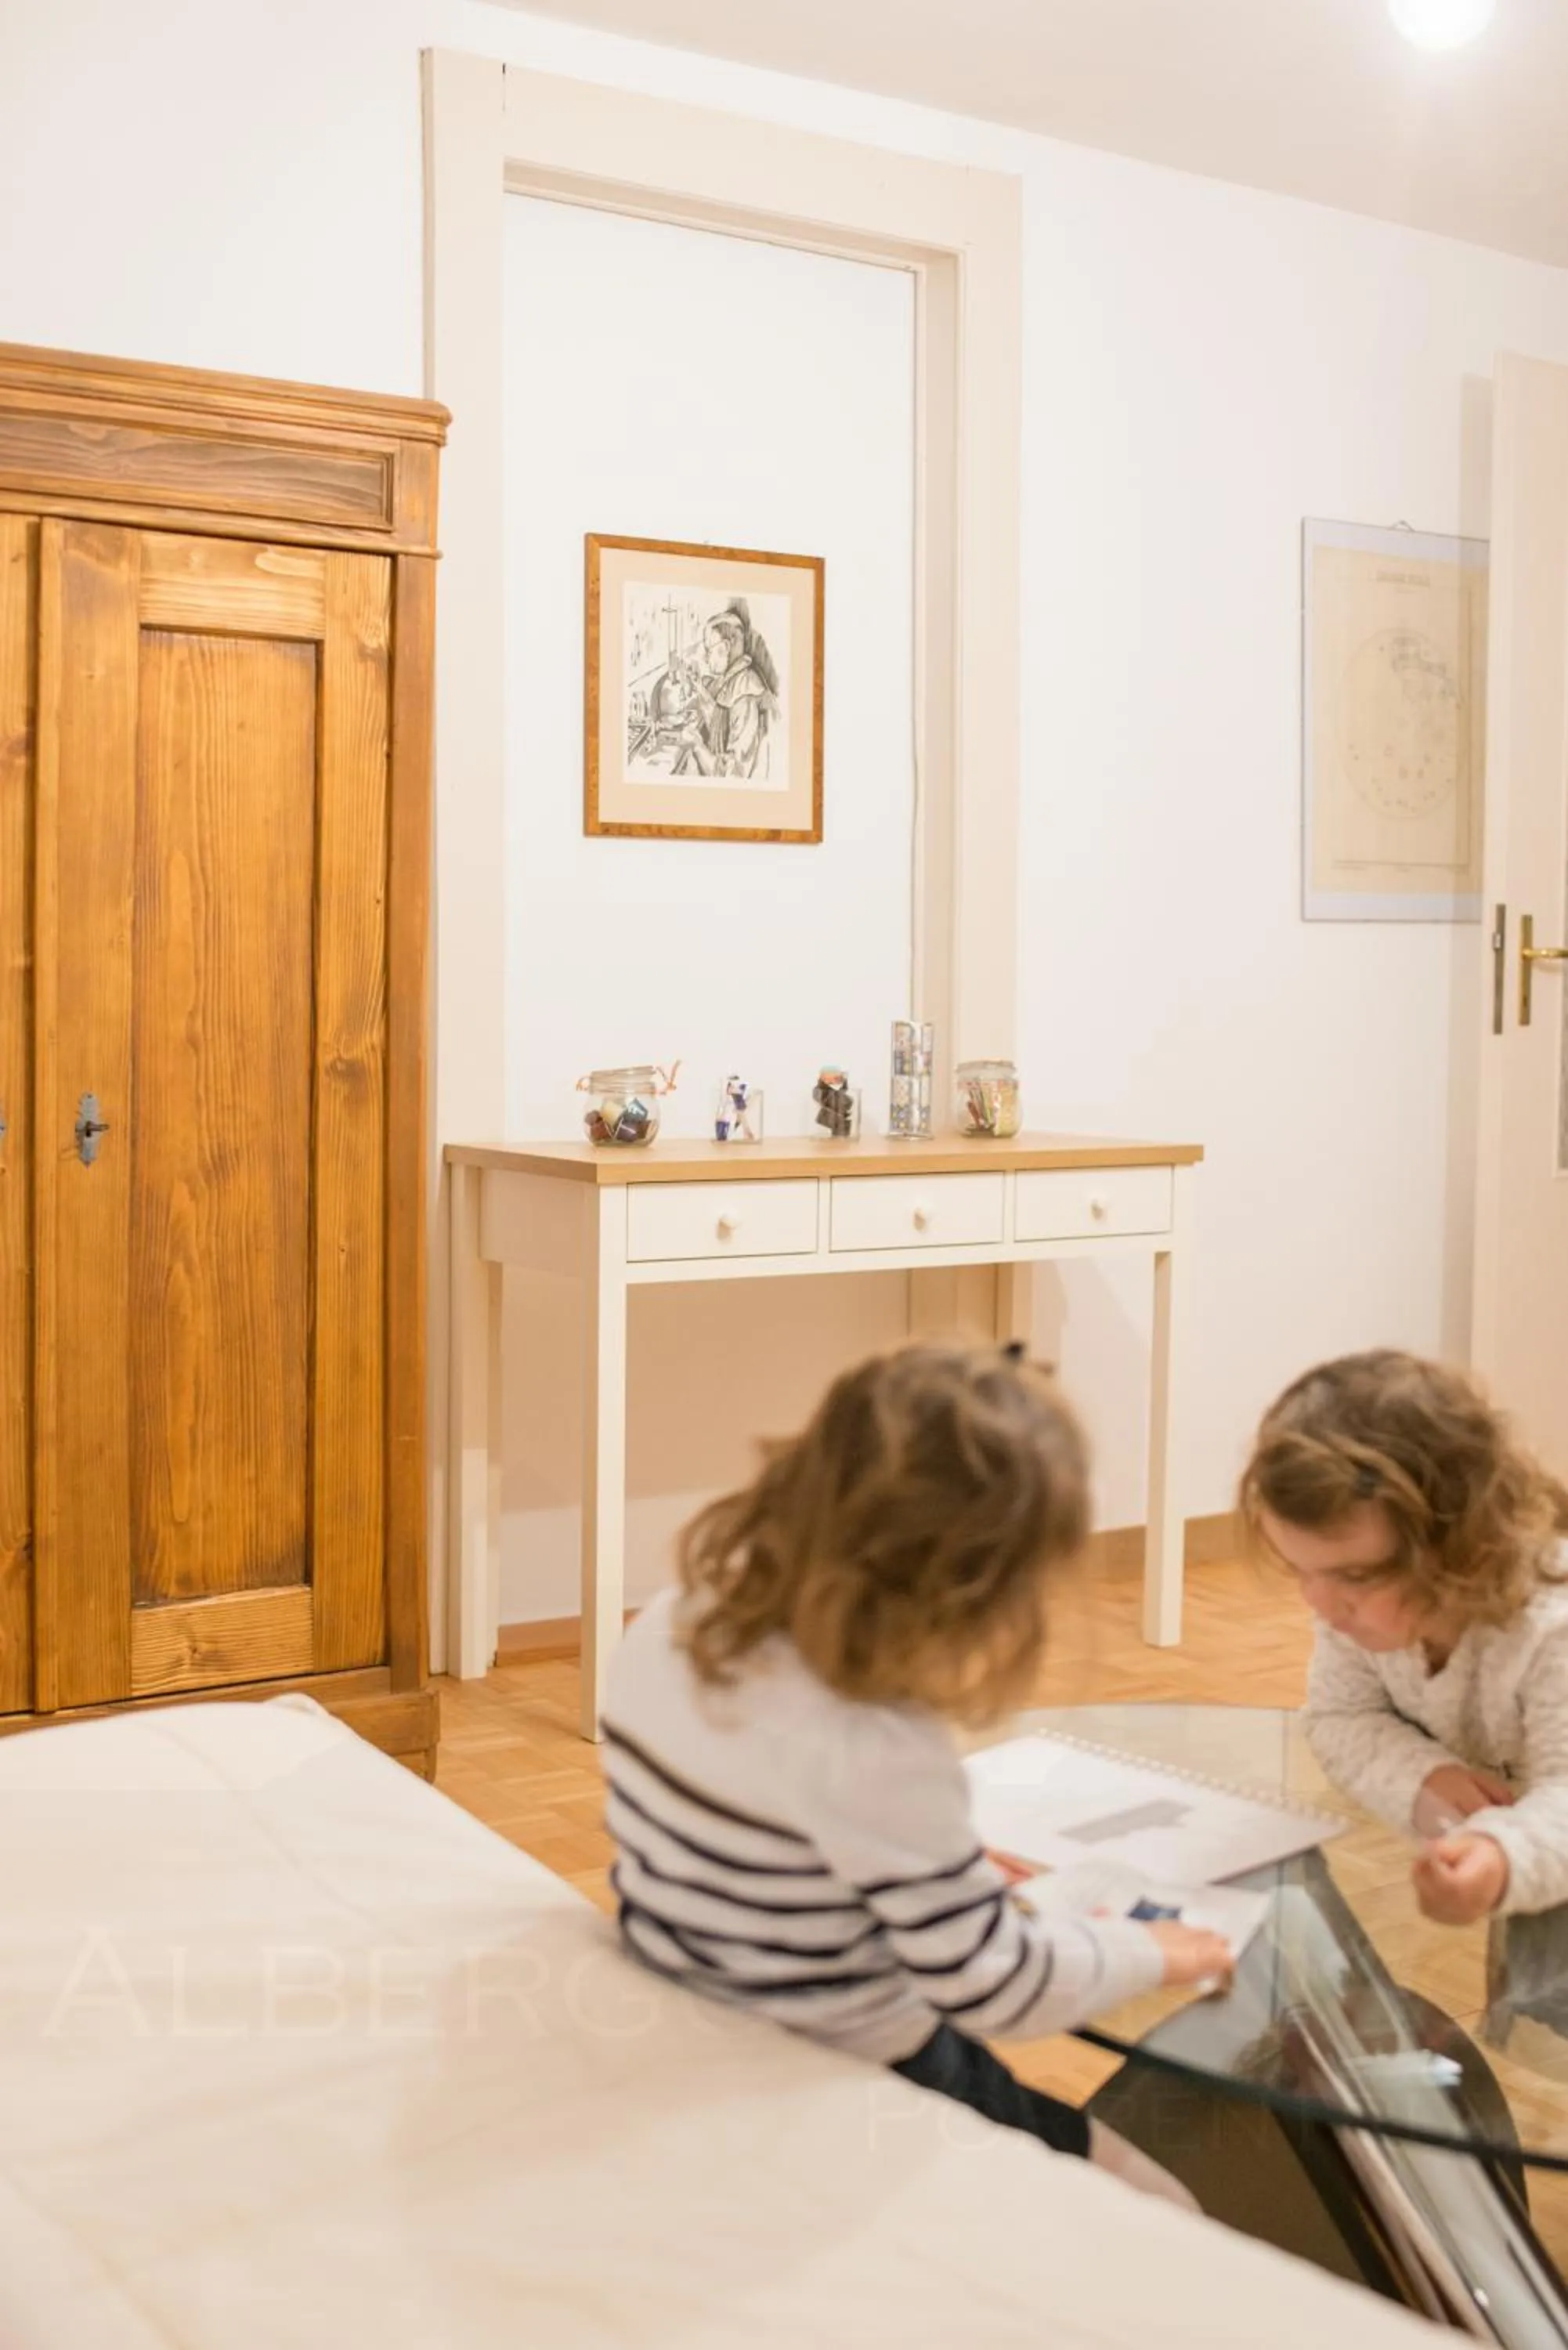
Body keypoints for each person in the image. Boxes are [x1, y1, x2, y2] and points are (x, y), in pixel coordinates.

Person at [603, 1340, 1231, 2204]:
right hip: (850, 2051)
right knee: (1165, 2206)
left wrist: (936, 1870)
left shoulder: (675, 1620)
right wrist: (1149, 1951)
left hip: (697, 1976)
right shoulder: (875, 1743)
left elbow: (760, 1836)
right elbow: (999, 1989)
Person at [1241, 1349, 1568, 1926]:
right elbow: (1340, 1716)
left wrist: (1502, 1857)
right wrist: (1423, 1777)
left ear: (1463, 1545)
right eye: (1299, 1570)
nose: (1320, 1604)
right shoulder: (1360, 1607)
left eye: (1355, 1575)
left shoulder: (1552, 1623)